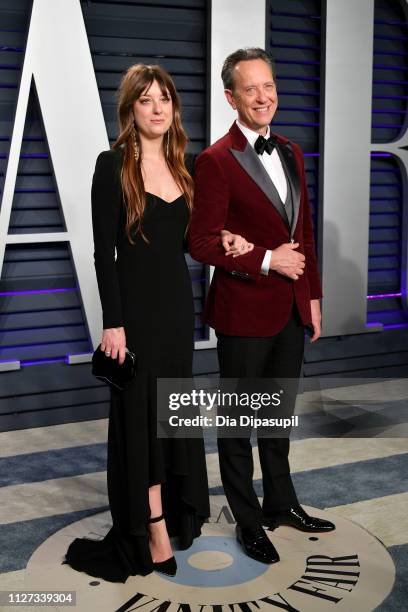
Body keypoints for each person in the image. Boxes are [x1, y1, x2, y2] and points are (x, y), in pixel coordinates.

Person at [64, 64, 252, 583]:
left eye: (164, 99)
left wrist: (229, 240)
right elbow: (104, 253)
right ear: (131, 109)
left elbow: (196, 241)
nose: (156, 108)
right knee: (142, 421)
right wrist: (114, 323)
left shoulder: (185, 167)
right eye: (145, 100)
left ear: (174, 108)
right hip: (136, 315)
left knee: (174, 413)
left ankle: (179, 508)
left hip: (176, 312)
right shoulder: (112, 165)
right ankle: (153, 529)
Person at [189, 48, 335, 566]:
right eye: (250, 88)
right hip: (243, 312)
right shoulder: (214, 161)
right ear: (231, 97)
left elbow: (306, 235)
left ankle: (282, 504)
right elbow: (201, 241)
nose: (263, 96)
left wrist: (312, 297)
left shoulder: (291, 151)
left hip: (291, 312)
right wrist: (268, 260)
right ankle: (248, 523)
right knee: (237, 425)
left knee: (277, 419)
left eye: (268, 85)